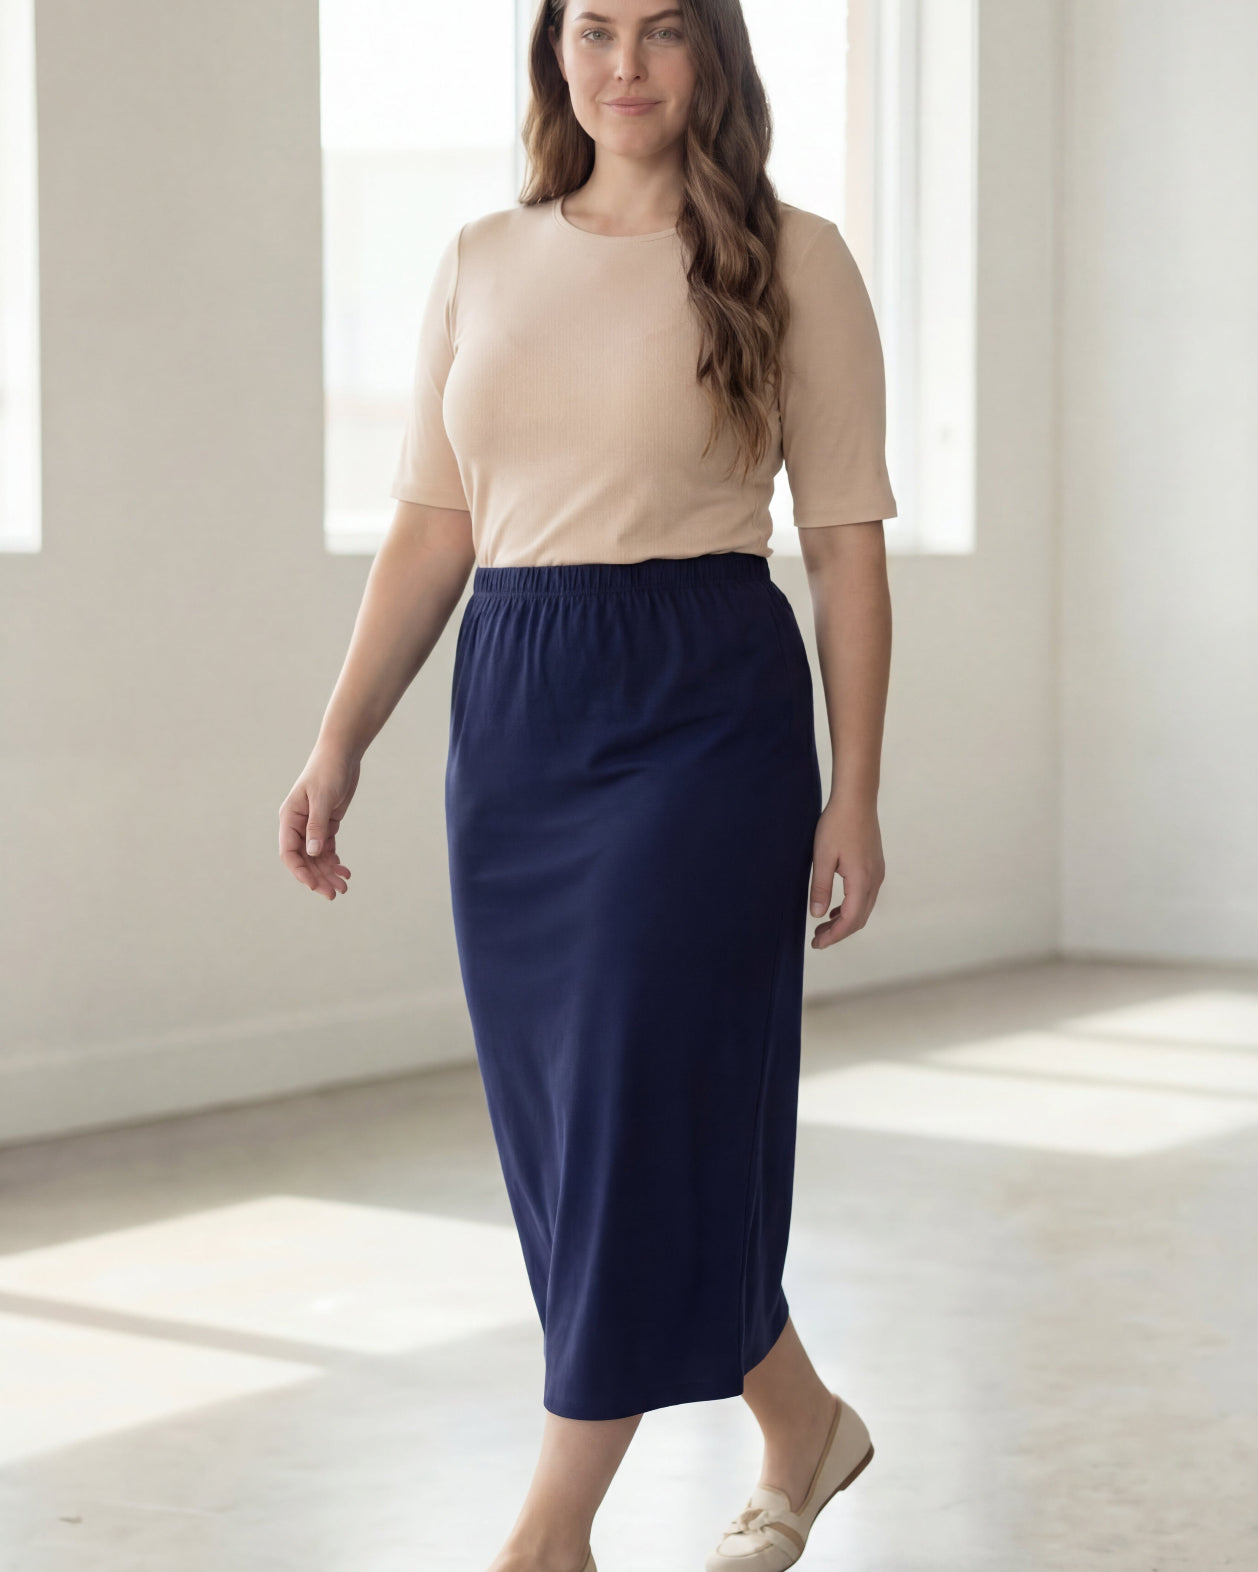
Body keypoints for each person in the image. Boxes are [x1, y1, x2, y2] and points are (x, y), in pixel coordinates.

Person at [279, 2, 895, 1569]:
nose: (624, 63)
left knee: (630, 1108)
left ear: (712, 56)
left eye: (662, 30)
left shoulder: (794, 260)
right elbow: (433, 528)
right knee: (579, 1135)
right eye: (594, 28)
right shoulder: (482, 258)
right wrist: (341, 737)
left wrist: (856, 792)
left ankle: (549, 1533)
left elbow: (843, 551)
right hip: (515, 712)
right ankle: (803, 1424)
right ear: (553, 53)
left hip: (703, 707)